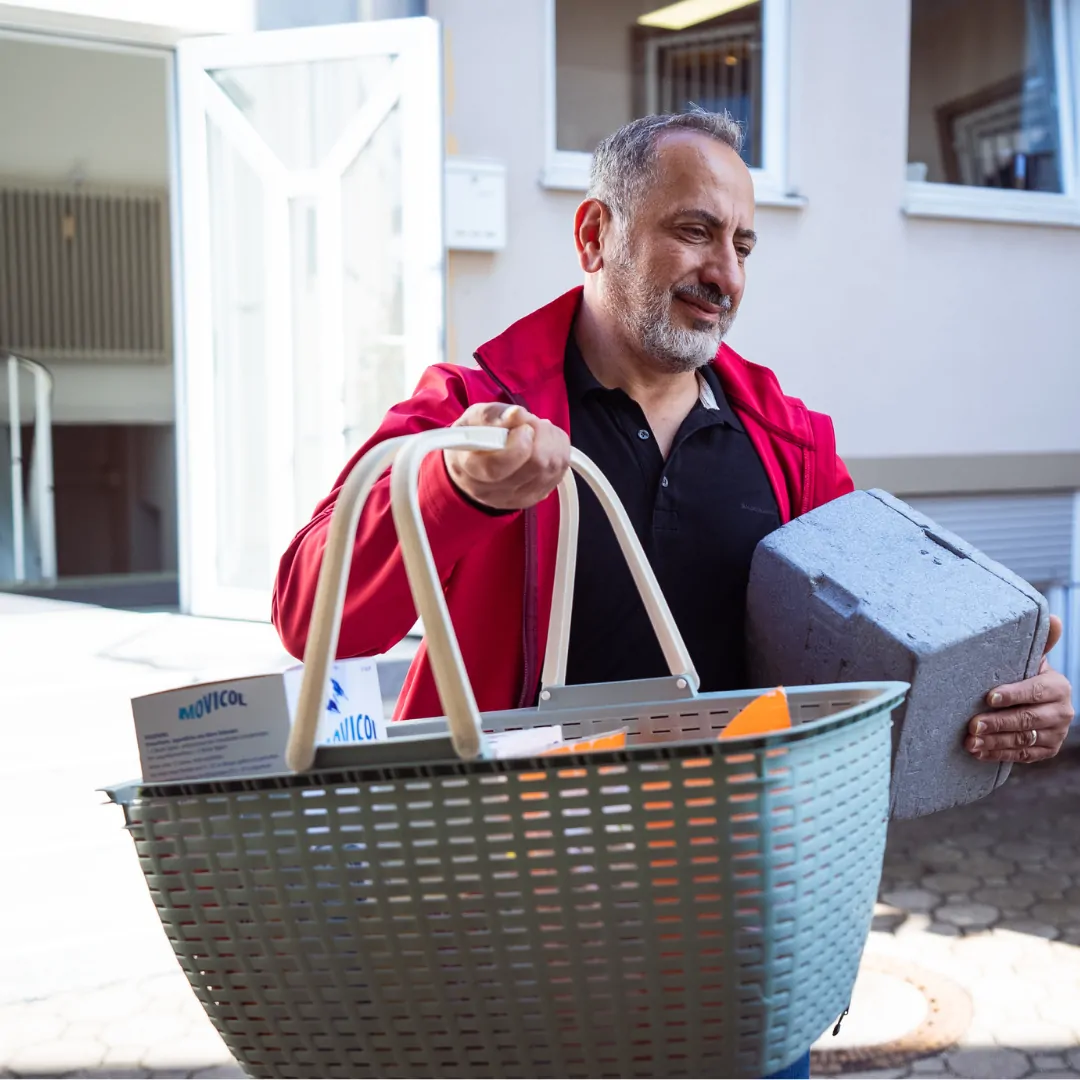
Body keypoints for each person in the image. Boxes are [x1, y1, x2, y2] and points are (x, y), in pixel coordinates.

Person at [272, 110, 1074, 1078]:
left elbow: (881, 658)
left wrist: (996, 694)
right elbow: (309, 612)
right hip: (509, 908)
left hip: (737, 913)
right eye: (693, 231)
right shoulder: (473, 412)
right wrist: (455, 492)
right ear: (595, 234)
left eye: (742, 245)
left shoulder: (788, 442)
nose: (726, 274)